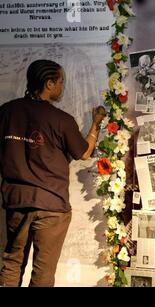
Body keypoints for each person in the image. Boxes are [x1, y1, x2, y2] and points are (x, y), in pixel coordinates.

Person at [0, 59, 105, 287]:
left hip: (17, 202)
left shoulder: (6, 112)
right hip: (51, 206)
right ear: (49, 84)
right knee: (43, 272)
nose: (62, 87)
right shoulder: (61, 120)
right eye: (60, 82)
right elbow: (84, 152)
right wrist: (96, 123)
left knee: (11, 263)